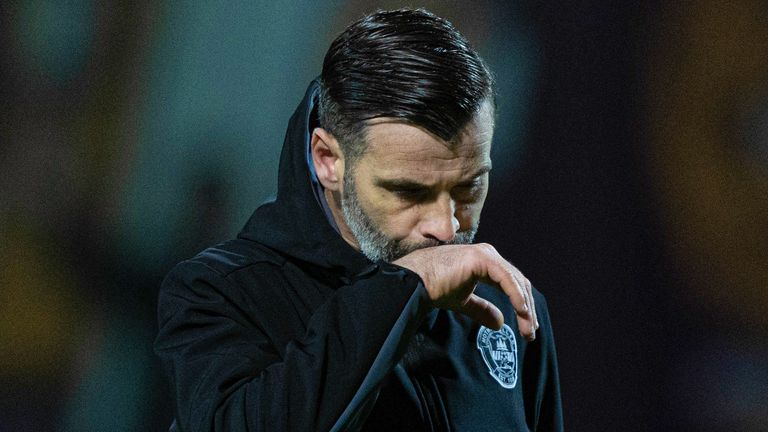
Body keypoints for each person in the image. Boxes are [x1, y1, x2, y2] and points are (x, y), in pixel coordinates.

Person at [155, 8, 563, 432]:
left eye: (469, 189)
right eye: (409, 191)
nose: (446, 227)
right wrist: (401, 289)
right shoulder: (222, 293)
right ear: (328, 159)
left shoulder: (511, 310)